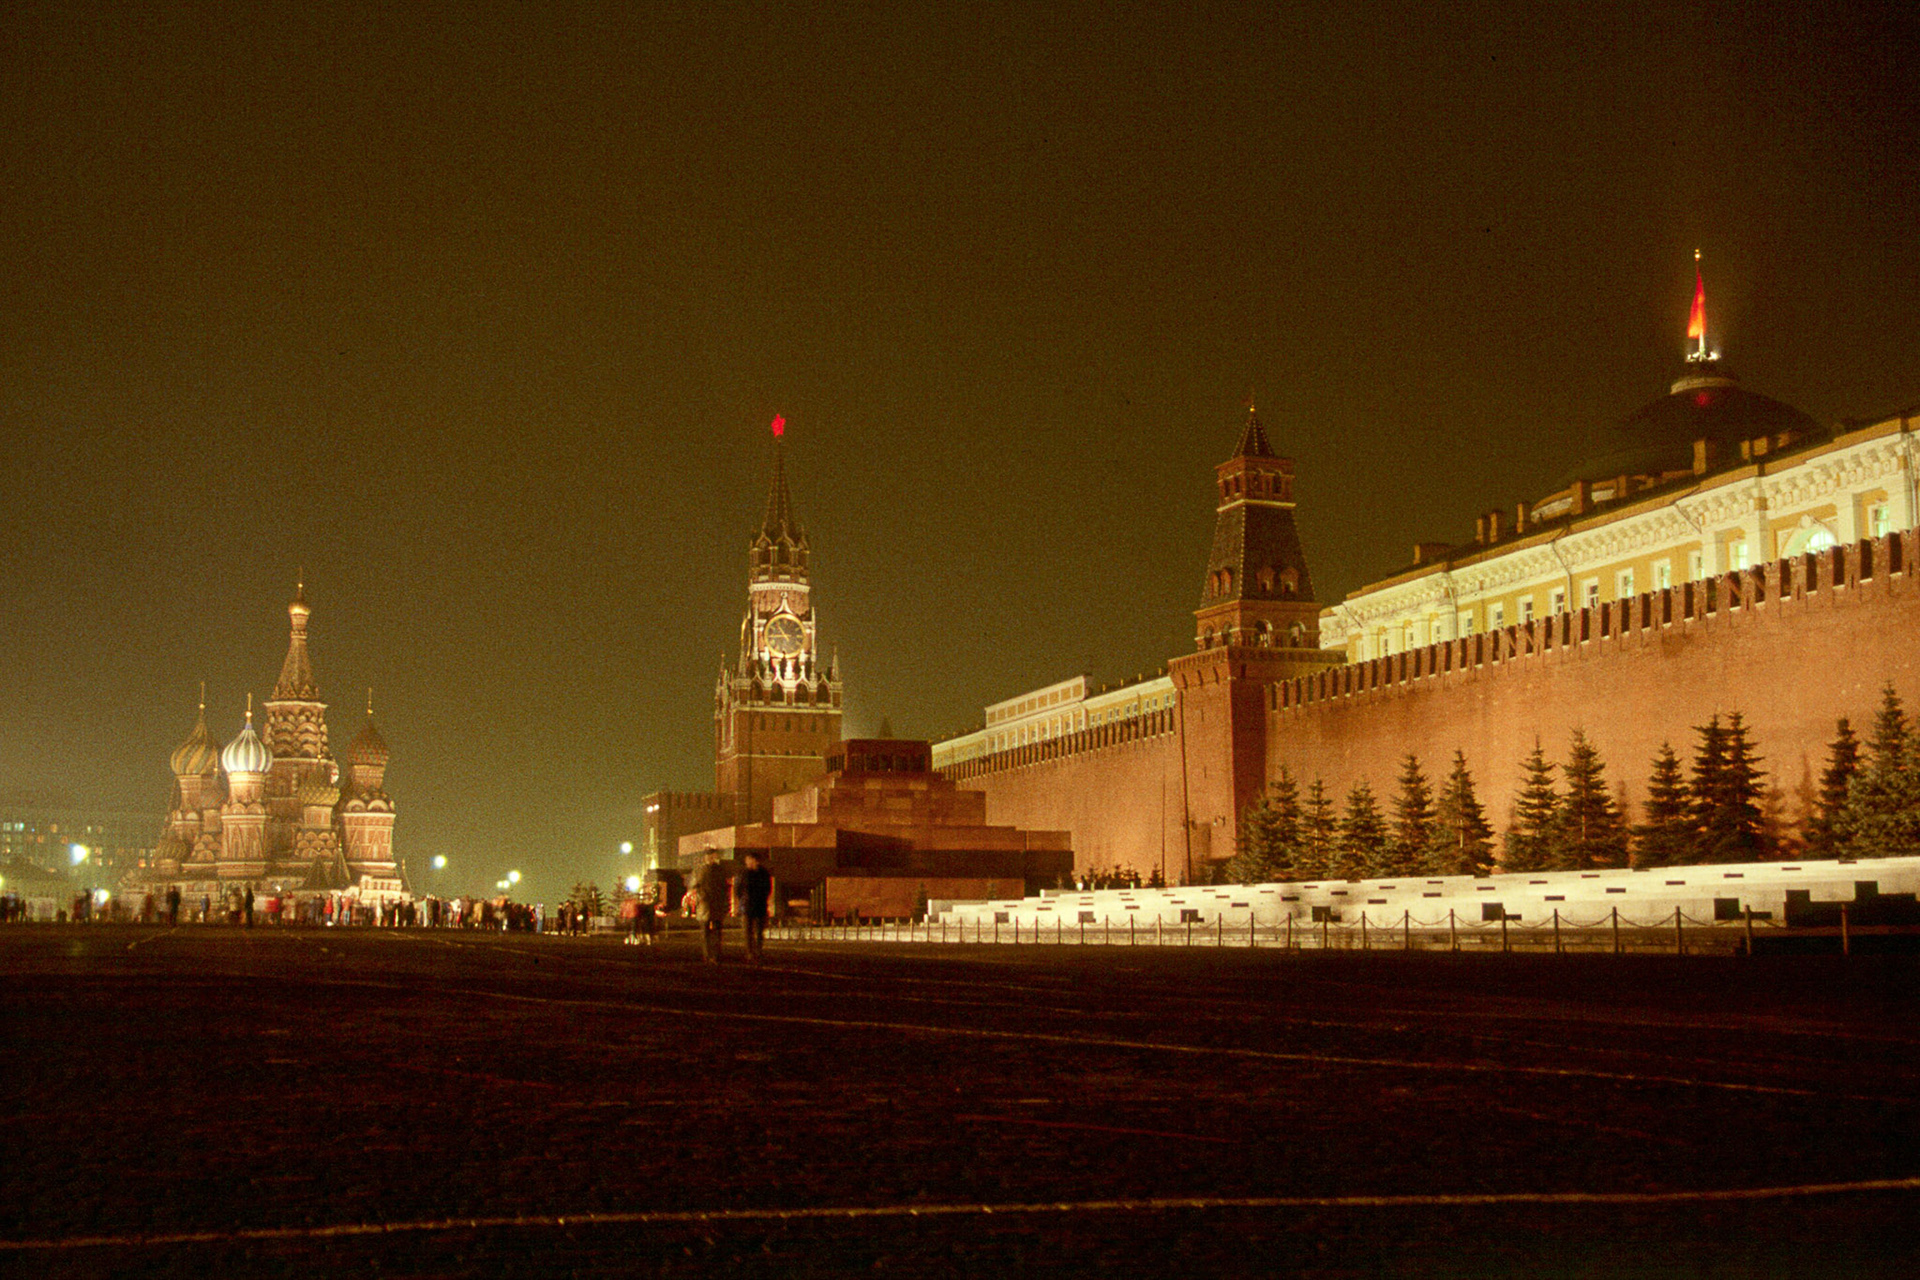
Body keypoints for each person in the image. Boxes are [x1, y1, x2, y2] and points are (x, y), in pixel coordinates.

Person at [735, 852, 773, 964]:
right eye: (747, 860)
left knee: (759, 931)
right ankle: (750, 953)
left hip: (760, 906)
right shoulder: (743, 873)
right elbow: (738, 890)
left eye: (750, 860)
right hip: (747, 906)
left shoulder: (764, 873)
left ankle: (758, 952)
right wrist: (741, 901)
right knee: (748, 932)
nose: (748, 862)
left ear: (756, 861)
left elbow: (768, 888)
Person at [694, 850, 729, 964]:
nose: (710, 858)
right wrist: (702, 897)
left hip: (715, 905)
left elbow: (724, 888)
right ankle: (707, 955)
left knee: (716, 933)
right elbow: (696, 887)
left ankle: (715, 955)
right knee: (705, 933)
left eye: (712, 856)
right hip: (706, 905)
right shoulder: (701, 870)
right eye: (708, 856)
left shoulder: (719, 870)